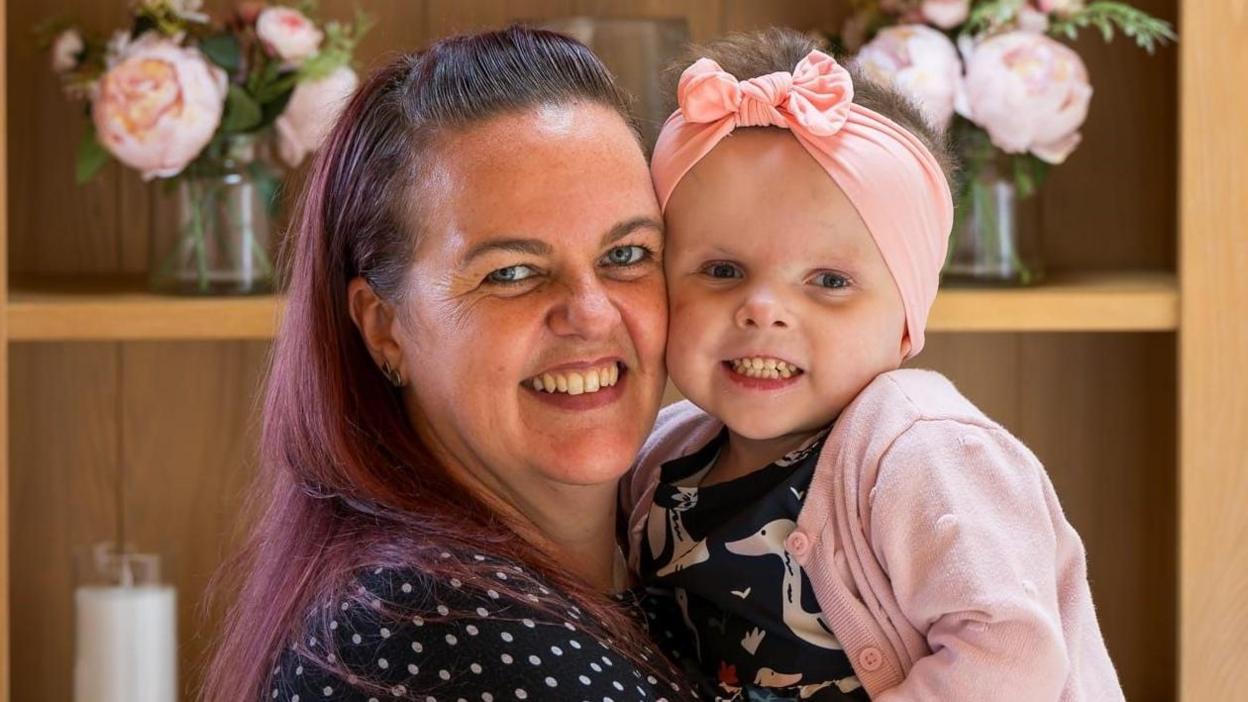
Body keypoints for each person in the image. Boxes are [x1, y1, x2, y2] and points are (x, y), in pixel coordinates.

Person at [620, 28, 1124, 701]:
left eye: (828, 281)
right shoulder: (655, 460)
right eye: (722, 269)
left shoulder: (923, 453)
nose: (763, 310)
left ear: (905, 322)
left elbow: (1010, 653)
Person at [201, 26, 697, 702]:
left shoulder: (681, 553)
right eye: (513, 272)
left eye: (626, 255)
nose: (592, 312)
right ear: (386, 329)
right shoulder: (427, 638)